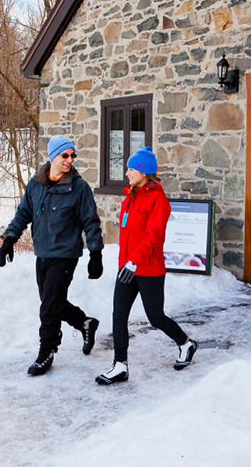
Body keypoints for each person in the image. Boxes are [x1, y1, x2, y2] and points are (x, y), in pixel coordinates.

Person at [0, 134, 104, 376]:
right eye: (65, 155)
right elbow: (23, 212)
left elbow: (91, 222)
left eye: (72, 156)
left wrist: (95, 254)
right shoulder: (36, 183)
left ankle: (46, 352)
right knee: (52, 302)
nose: (70, 160)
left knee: (48, 307)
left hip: (65, 254)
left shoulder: (78, 188)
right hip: (43, 252)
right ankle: (85, 323)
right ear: (53, 156)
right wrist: (9, 239)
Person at [96, 147, 197, 385]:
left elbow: (154, 237)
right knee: (118, 315)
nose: (127, 172)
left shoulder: (158, 200)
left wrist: (135, 261)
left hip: (149, 269)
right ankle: (120, 365)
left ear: (143, 171)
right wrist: (125, 263)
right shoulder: (129, 198)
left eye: (131, 168)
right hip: (127, 268)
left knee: (156, 317)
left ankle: (185, 343)